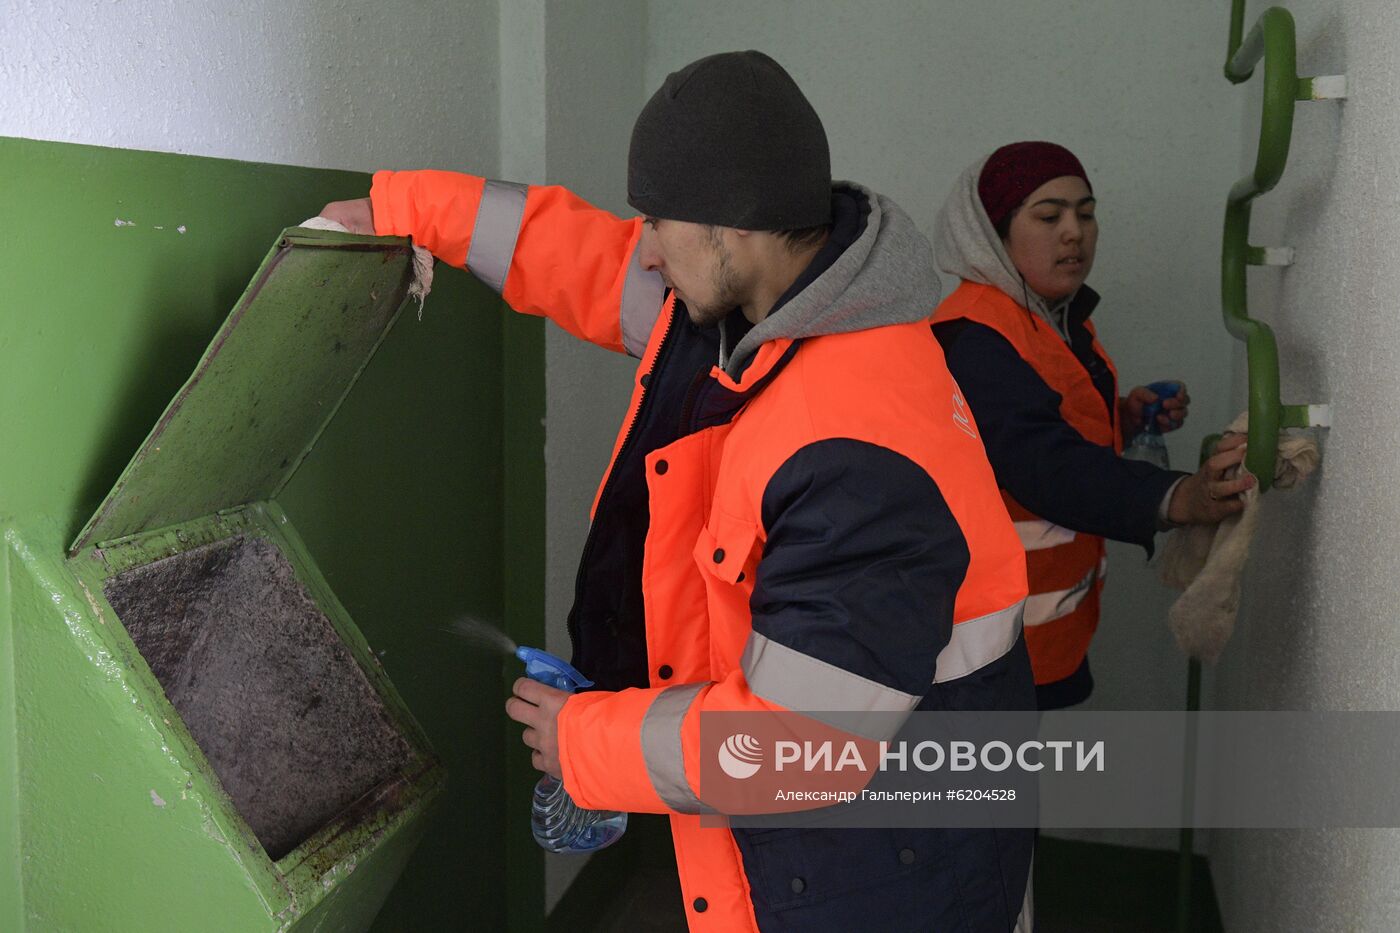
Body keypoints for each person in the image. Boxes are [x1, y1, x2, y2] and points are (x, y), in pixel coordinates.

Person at [325, 51, 1034, 931]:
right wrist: (403, 210)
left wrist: (586, 743)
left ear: (730, 227)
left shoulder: (858, 444)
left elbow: (798, 746)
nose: (646, 246)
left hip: (885, 866)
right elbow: (573, 254)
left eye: (657, 221)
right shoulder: (754, 298)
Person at [930, 141, 1252, 710]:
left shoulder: (1050, 317)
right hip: (980, 653)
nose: (1074, 232)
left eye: (1086, 212)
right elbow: (1043, 464)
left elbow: (1029, 429)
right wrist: (1179, 496)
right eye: (1049, 216)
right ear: (993, 233)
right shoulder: (974, 339)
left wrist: (1121, 417)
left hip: (1035, 636)